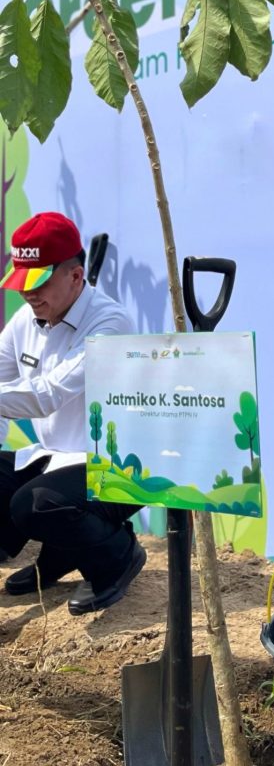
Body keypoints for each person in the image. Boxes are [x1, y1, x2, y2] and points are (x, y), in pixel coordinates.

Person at [0, 211, 145, 615]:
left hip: (116, 467)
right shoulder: (25, 319)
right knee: (27, 495)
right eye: (22, 283)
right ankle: (61, 553)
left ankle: (116, 556)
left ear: (77, 276)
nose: (28, 294)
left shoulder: (111, 323)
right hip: (53, 459)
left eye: (38, 283)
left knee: (35, 504)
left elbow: (47, 395)